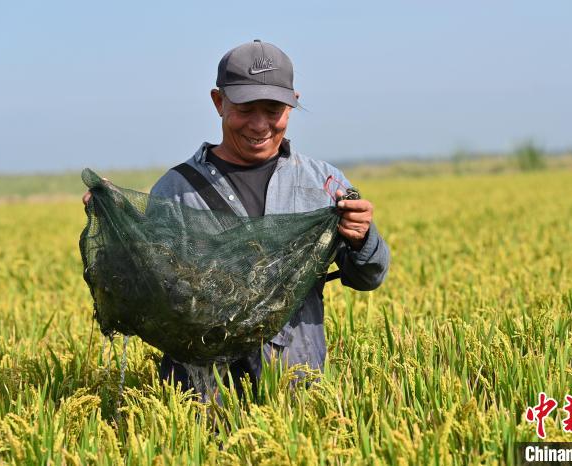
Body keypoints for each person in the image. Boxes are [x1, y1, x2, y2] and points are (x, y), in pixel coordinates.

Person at [83, 40, 390, 397]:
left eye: (273, 109)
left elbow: (370, 276)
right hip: (203, 399)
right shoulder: (177, 189)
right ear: (219, 102)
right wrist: (118, 231)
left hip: (296, 391)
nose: (260, 125)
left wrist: (361, 237)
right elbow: (148, 295)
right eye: (245, 108)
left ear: (291, 105)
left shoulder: (322, 183)